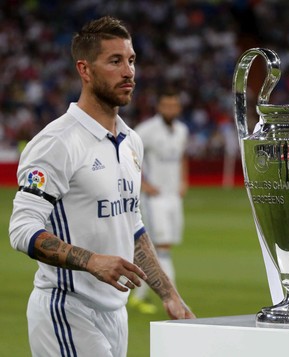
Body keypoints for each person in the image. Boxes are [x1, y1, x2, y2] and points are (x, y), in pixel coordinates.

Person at [8, 16, 194, 357]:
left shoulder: (131, 142)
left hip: (115, 313)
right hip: (66, 309)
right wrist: (91, 261)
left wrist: (169, 294)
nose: (128, 72)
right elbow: (21, 230)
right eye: (115, 61)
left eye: (131, 60)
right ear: (85, 69)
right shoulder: (56, 143)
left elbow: (132, 225)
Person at [129, 88, 189, 314]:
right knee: (161, 248)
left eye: (174, 105)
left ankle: (138, 295)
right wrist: (143, 184)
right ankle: (175, 299)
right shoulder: (146, 130)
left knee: (160, 248)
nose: (170, 109)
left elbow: (182, 156)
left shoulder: (182, 130)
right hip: (155, 199)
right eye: (167, 105)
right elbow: (128, 155)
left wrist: (184, 180)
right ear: (159, 107)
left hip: (174, 196)